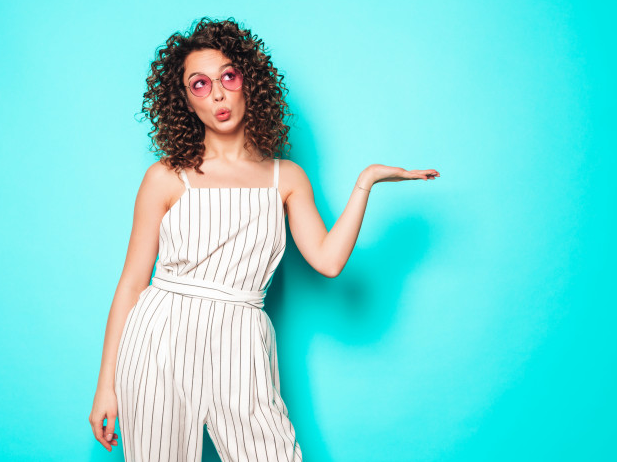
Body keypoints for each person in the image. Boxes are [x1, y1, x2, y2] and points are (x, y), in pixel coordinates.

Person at [89, 16, 439, 462]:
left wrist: (366, 181)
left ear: (248, 82)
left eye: (228, 77)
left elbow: (329, 261)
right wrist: (106, 386)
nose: (217, 94)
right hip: (159, 339)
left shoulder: (285, 177)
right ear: (185, 101)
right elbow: (132, 284)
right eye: (200, 84)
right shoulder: (166, 177)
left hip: (242, 340)